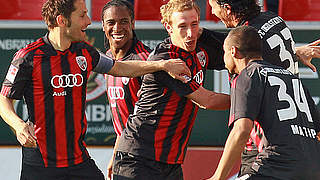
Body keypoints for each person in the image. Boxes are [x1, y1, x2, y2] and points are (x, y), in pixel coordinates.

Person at [0, 0, 192, 179]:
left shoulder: (84, 51)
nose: (89, 21)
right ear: (62, 20)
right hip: (40, 162)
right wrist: (18, 126)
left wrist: (161, 65)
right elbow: (4, 100)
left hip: (78, 160)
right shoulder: (28, 56)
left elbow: (119, 67)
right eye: (82, 15)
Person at [112, 0, 231, 179]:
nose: (190, 34)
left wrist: (204, 33)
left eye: (194, 24)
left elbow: (237, 48)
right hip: (139, 159)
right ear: (168, 27)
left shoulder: (199, 47)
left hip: (170, 162)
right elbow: (208, 100)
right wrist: (251, 101)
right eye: (182, 26)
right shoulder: (167, 59)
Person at [207, 0, 320, 177]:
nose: (213, 12)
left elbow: (241, 130)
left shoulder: (249, 74)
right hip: (307, 156)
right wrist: (295, 53)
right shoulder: (274, 19)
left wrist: (217, 176)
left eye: (213, 6)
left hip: (267, 147)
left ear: (233, 52)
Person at [100, 0, 152, 179]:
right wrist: (115, 154)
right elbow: (125, 122)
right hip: (125, 151)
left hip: (147, 157)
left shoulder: (146, 61)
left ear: (133, 23)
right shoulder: (107, 61)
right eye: (111, 22)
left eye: (123, 21)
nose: (117, 28)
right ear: (103, 26)